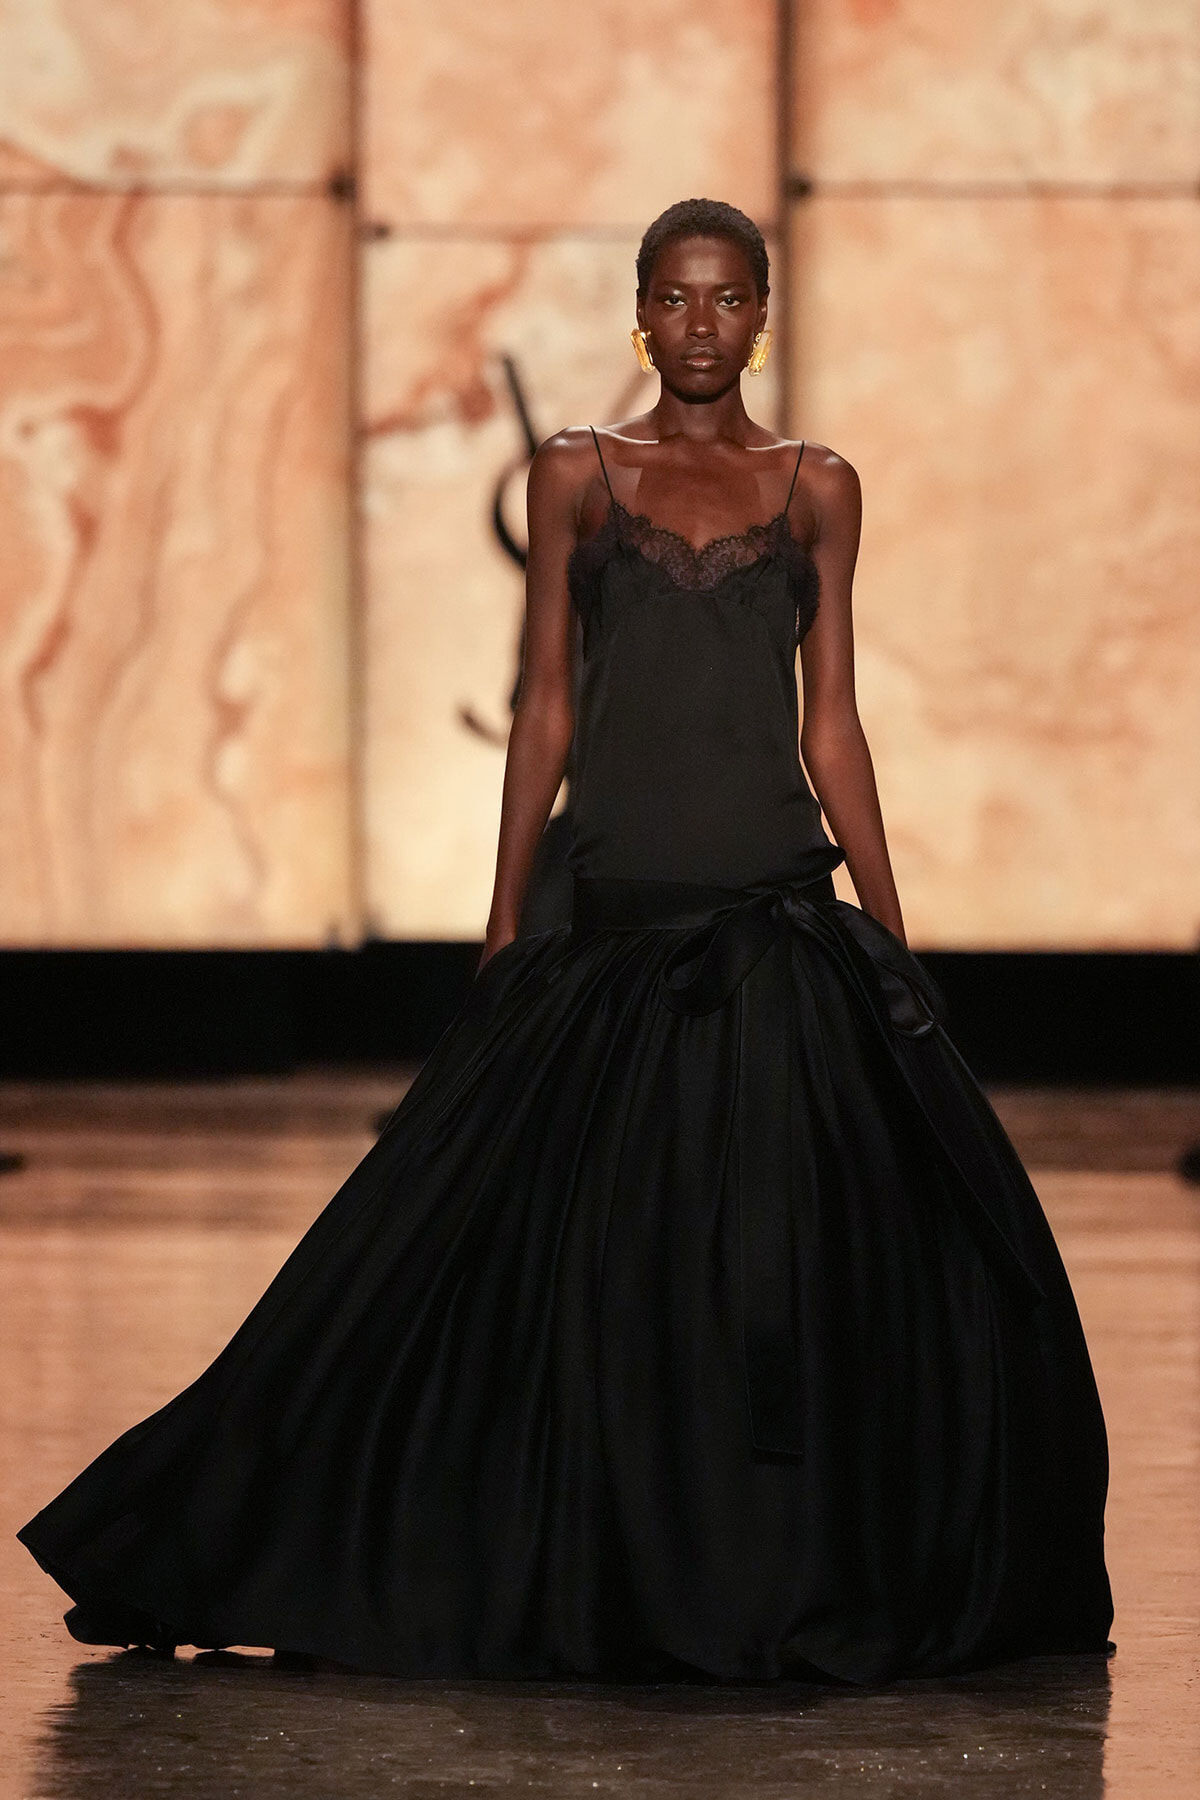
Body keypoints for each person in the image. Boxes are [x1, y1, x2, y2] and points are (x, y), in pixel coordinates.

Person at [19, 198, 1114, 1686]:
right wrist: (499, 918)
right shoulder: (578, 478)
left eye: (730, 299)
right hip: (609, 928)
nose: (703, 324)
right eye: (676, 296)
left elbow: (833, 719)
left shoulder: (819, 489)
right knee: (493, 1262)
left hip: (775, 924)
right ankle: (513, 1555)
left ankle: (762, 1565)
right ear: (641, 311)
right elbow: (544, 698)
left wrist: (891, 930)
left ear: (764, 311)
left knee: (782, 1277)